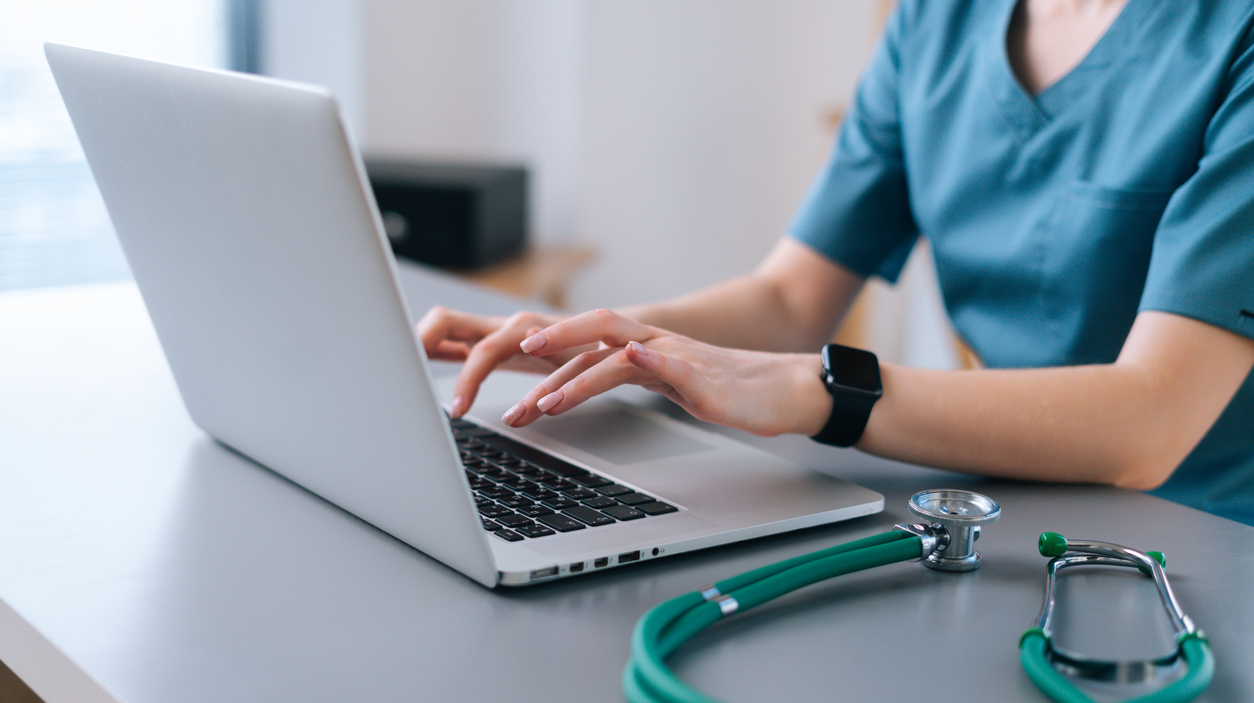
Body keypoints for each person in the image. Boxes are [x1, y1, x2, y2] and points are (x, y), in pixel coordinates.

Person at [419, 0, 1254, 526]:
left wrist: (816, 389)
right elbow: (790, 297)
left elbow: (1149, 425)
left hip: (1202, 538)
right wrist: (617, 340)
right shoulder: (935, 22)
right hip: (1001, 503)